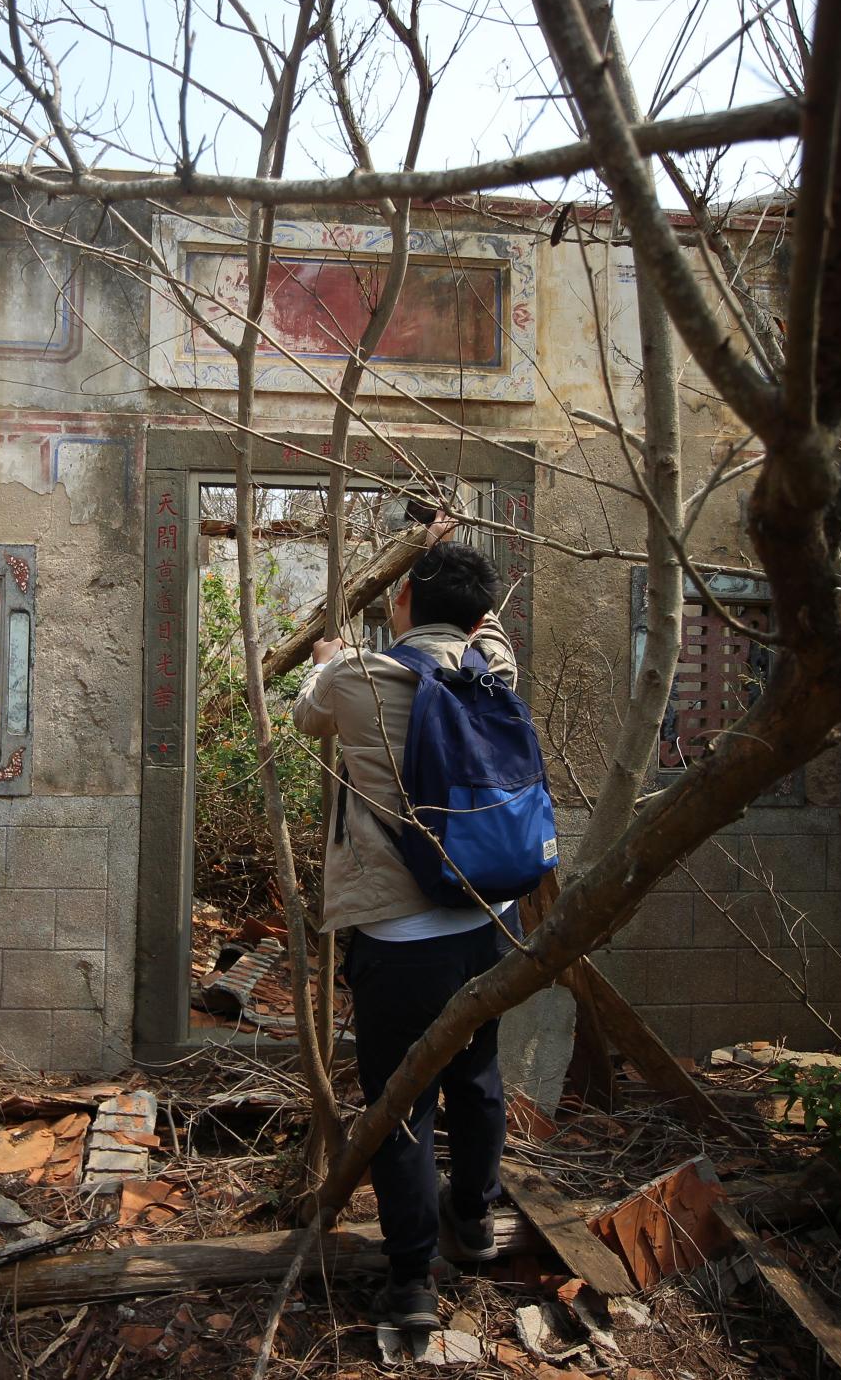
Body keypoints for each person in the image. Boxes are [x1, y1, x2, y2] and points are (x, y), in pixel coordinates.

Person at [292, 537, 516, 1334]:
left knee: (401, 1101)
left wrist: (324, 660)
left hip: (399, 934)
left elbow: (305, 716)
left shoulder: (359, 677)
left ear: (405, 600)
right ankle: (475, 1219)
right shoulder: (493, 669)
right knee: (477, 1074)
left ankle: (413, 1279)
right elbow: (489, 631)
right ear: (480, 617)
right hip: (490, 922)